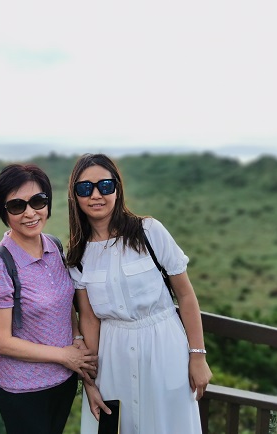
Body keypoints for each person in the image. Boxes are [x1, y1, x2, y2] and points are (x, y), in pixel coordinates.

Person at [66, 153, 212, 434]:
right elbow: (90, 319)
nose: (96, 195)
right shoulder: (79, 254)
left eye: (105, 186)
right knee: (119, 425)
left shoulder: (149, 232)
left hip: (163, 347)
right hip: (113, 356)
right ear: (75, 196)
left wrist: (198, 356)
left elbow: (185, 295)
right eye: (85, 188)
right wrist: (91, 383)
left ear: (117, 188)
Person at [0, 163, 98, 434]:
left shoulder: (54, 247)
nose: (30, 213)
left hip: (63, 381)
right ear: (3, 211)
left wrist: (76, 338)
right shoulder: (0, 264)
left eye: (38, 201)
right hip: (24, 390)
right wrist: (64, 355)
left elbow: (64, 302)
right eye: (17, 206)